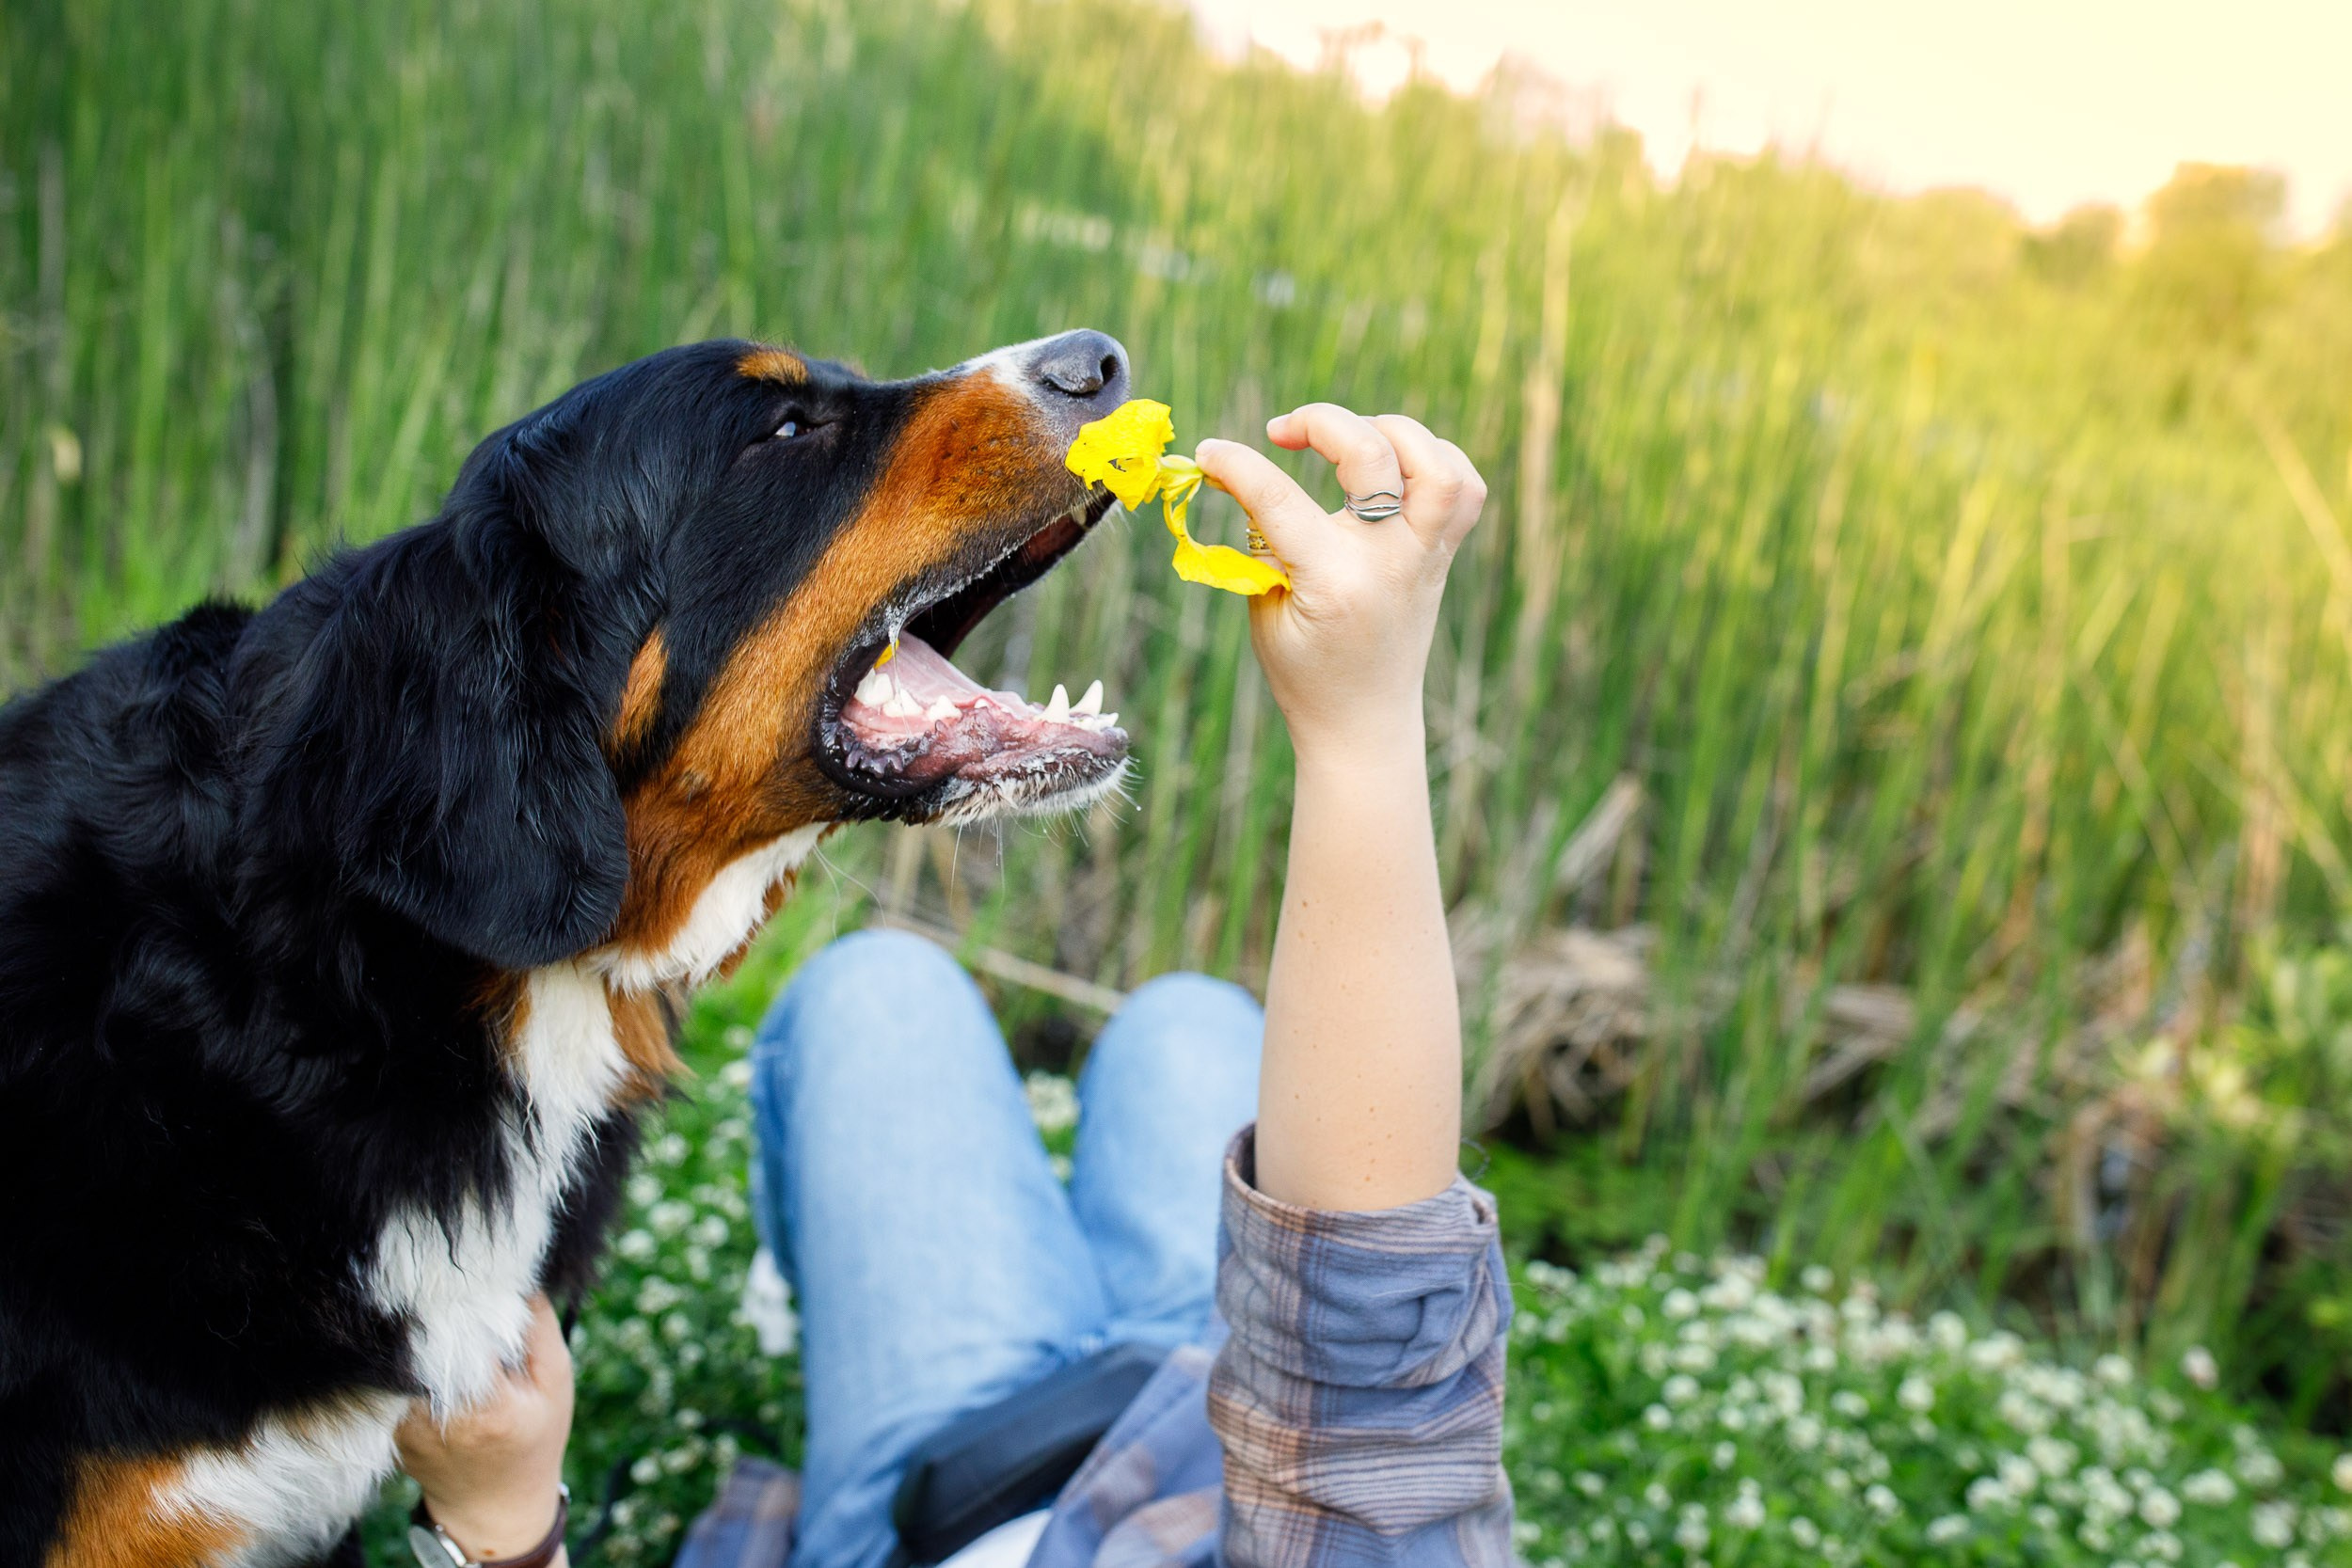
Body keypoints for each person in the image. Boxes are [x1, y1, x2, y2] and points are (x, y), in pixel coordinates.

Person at [396, 404, 1506, 1568]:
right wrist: (1361, 726)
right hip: (1238, 1423)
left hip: (964, 1485)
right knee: (1187, 1024)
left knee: (872, 995)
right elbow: (1370, 1411)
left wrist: (502, 1525)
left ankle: (822, 1310)